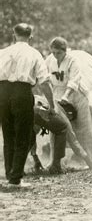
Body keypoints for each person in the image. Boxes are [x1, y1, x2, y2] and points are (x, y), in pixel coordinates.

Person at [0, 23, 56, 187]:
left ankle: (10, 174)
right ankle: (15, 179)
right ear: (30, 37)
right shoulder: (34, 53)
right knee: (23, 136)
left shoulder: (3, 52)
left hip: (2, 93)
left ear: (14, 35)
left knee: (8, 135)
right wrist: (51, 105)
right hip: (22, 93)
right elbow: (44, 82)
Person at [45, 37, 92, 166]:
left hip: (76, 94)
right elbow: (44, 76)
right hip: (57, 93)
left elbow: (74, 80)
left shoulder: (72, 60)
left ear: (65, 51)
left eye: (59, 53)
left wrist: (66, 96)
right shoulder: (49, 60)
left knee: (84, 126)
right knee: (58, 125)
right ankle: (55, 160)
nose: (56, 55)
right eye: (54, 52)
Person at [30, 95, 92, 173]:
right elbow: (73, 141)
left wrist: (36, 158)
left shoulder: (47, 101)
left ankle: (16, 166)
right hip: (39, 107)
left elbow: (35, 136)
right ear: (68, 114)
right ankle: (56, 166)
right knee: (63, 127)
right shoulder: (60, 113)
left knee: (30, 134)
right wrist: (89, 161)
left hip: (28, 104)